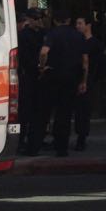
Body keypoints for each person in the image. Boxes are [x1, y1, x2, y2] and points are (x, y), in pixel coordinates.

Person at [34, 10, 87, 158]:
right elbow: (85, 61)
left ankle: (35, 146)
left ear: (55, 21)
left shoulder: (52, 34)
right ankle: (61, 148)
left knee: (44, 112)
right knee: (64, 113)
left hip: (52, 75)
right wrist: (83, 80)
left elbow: (44, 52)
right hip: (71, 77)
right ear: (69, 20)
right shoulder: (78, 36)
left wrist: (42, 67)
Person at [73, 16, 106, 151]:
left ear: (88, 25)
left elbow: (100, 65)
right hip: (79, 80)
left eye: (80, 23)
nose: (78, 26)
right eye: (76, 23)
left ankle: (81, 138)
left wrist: (90, 80)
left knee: (83, 111)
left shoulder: (95, 44)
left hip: (88, 81)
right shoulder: (78, 42)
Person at [15, 7, 46, 153]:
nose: (39, 21)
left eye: (40, 18)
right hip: (28, 75)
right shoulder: (24, 35)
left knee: (36, 110)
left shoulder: (43, 34)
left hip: (37, 75)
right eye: (36, 18)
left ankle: (33, 140)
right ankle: (22, 140)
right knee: (25, 111)